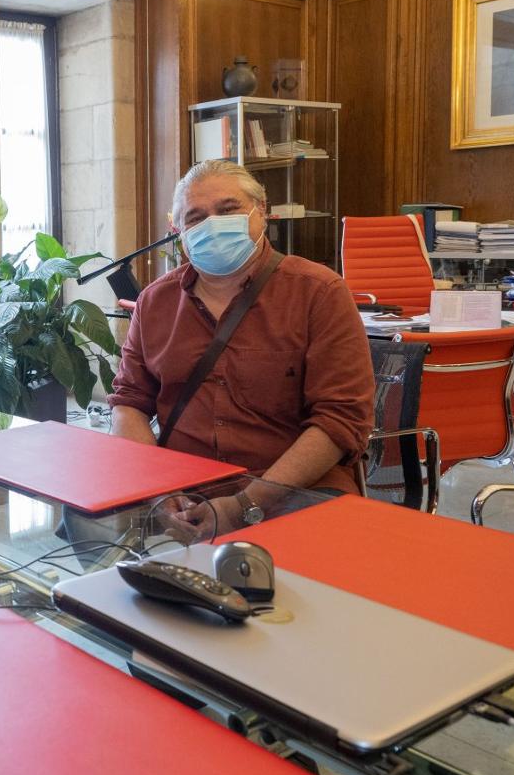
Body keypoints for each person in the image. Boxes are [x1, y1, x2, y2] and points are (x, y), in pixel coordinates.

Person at [108, 159, 373, 532]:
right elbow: (128, 403)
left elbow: (340, 421)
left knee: (298, 572)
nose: (213, 225)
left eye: (229, 210)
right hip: (181, 487)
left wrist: (244, 505)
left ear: (261, 211)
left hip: (294, 489)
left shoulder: (319, 293)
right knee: (81, 526)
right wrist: (158, 490)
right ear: (177, 230)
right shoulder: (155, 302)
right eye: (196, 218)